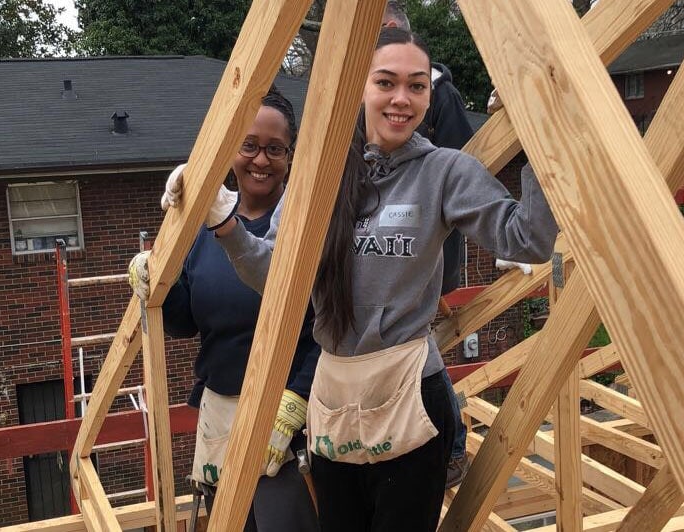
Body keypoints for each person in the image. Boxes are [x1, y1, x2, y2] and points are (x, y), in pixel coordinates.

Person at [171, 28, 558, 531]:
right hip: (334, 399)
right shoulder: (321, 174)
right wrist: (226, 225)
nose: (402, 99)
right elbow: (276, 277)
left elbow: (526, 239)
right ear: (362, 89)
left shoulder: (443, 172)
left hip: (408, 396)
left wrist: (535, 136)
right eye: (386, 82)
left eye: (417, 86)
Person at [127, 88, 319, 531]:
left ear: (291, 156)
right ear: (231, 149)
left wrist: (297, 399)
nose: (261, 160)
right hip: (222, 418)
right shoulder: (204, 229)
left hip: (288, 426)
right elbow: (183, 322)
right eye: (249, 145)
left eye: (275, 149)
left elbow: (329, 322)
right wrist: (156, 284)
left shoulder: (303, 226)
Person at [383, 0, 475, 488]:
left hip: (426, 247)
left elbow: (462, 167)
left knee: (420, 350)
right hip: (385, 247)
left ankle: (452, 446)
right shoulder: (364, 94)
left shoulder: (438, 93)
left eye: (391, 31)